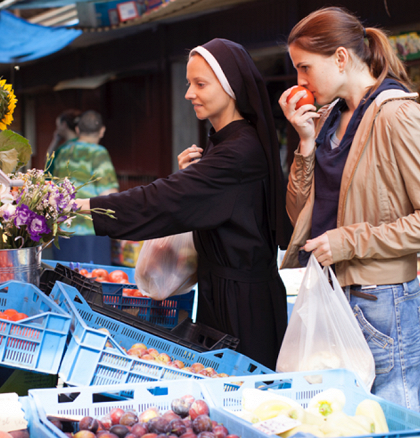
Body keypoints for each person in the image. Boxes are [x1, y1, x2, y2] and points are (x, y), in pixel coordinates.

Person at [279, 6, 420, 411]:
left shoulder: (399, 115)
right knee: (341, 421)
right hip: (333, 293)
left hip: (382, 302)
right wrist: (305, 143)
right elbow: (298, 217)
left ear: (341, 58)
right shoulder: (329, 122)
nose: (299, 82)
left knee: (391, 419)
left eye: (305, 68)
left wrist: (348, 241)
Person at [76, 38, 292, 370]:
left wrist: (79, 207)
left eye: (199, 84)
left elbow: (163, 200)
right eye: (189, 83)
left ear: (231, 87)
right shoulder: (227, 144)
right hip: (223, 293)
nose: (189, 93)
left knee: (242, 396)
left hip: (244, 307)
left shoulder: (239, 150)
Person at [50, 110, 119, 265]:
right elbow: (109, 194)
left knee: (64, 281)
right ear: (102, 131)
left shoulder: (63, 151)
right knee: (91, 283)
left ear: (78, 130)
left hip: (62, 230)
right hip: (90, 231)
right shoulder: (98, 153)